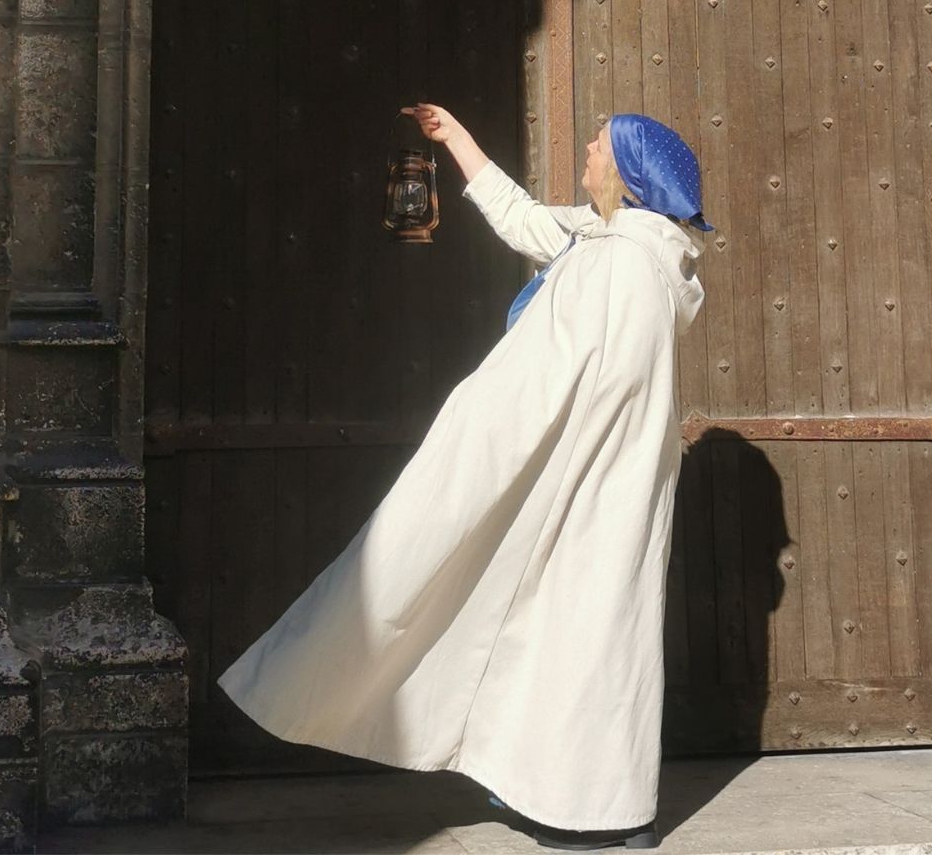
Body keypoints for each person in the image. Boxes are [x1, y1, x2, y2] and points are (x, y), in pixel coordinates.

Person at [218, 103, 711, 851]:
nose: (586, 147)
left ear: (629, 173)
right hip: (598, 476)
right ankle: (564, 794)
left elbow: (543, 378)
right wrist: (456, 140)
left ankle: (597, 810)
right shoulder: (620, 245)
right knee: (565, 630)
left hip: (581, 478)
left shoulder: (614, 263)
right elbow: (526, 223)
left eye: (599, 145)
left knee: (579, 629)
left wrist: (466, 448)